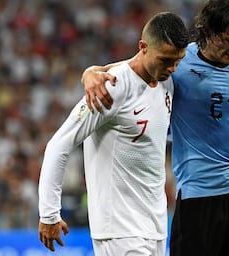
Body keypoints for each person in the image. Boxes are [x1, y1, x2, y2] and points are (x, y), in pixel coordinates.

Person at [82, 0, 229, 255]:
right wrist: (91, 72)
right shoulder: (178, 63)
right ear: (209, 32)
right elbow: (129, 69)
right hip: (199, 200)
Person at [38, 12, 189, 256]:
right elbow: (59, 144)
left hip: (156, 227)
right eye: (165, 60)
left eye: (177, 61)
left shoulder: (165, 82)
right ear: (143, 47)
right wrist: (48, 213)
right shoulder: (111, 88)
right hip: (119, 230)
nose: (172, 68)